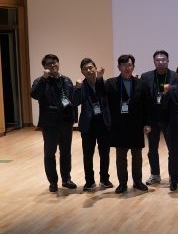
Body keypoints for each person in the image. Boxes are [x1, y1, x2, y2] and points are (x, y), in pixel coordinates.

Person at [31, 54, 78, 192]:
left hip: (66, 122)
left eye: (54, 62)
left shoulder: (66, 80)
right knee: (50, 153)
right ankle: (53, 182)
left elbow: (72, 100)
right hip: (50, 123)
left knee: (66, 152)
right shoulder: (40, 81)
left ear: (58, 63)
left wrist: (73, 119)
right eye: (49, 64)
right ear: (44, 67)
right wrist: (44, 79)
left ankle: (66, 179)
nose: (52, 65)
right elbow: (34, 95)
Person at [105, 54, 151, 194]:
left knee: (137, 156)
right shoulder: (110, 83)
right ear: (119, 67)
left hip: (136, 126)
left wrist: (147, 123)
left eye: (129, 65)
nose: (127, 68)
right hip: (119, 126)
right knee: (121, 157)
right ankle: (122, 183)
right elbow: (104, 101)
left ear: (133, 67)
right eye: (124, 65)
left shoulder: (141, 84)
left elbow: (147, 105)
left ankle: (137, 181)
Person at [72, 58, 111, 192]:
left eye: (90, 67)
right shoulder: (81, 86)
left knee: (104, 153)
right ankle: (89, 181)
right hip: (88, 125)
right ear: (82, 72)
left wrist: (100, 79)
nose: (88, 70)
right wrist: (77, 89)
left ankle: (104, 180)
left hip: (103, 123)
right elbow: (75, 102)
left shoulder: (104, 83)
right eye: (85, 69)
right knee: (88, 155)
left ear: (95, 68)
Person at [140, 50, 177, 185]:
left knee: (172, 149)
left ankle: (173, 175)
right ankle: (155, 174)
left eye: (163, 60)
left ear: (168, 61)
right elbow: (143, 99)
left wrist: (171, 89)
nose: (160, 62)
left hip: (169, 118)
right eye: (158, 60)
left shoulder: (175, 76)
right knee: (152, 149)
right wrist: (145, 122)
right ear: (154, 61)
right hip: (152, 119)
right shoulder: (146, 76)